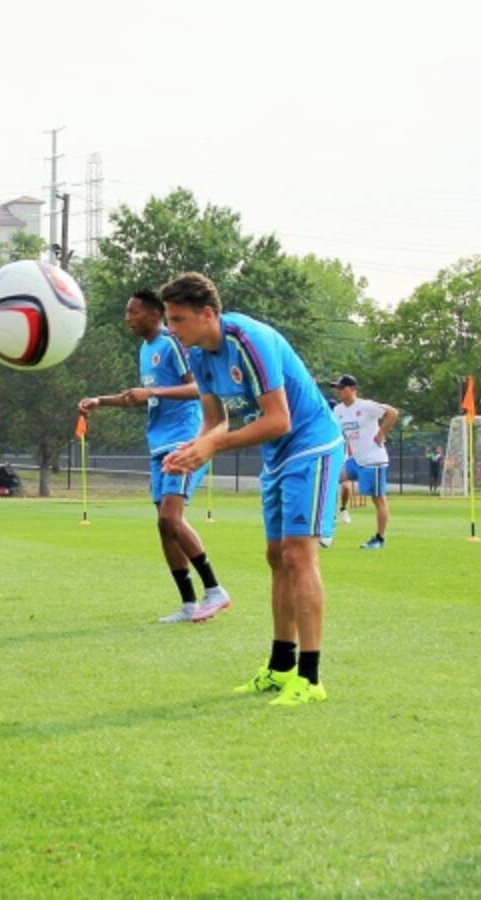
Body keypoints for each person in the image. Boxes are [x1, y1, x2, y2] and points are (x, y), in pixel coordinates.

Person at [160, 273, 343, 707]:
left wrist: (213, 445)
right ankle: (280, 669)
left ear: (208, 314)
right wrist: (194, 447)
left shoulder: (248, 339)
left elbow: (279, 419)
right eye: (168, 320)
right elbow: (214, 421)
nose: (172, 330)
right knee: (276, 557)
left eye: (178, 319)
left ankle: (311, 677)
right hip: (277, 456)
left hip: (311, 444)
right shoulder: (201, 356)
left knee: (299, 555)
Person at [78, 289, 229, 623]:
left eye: (132, 312)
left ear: (152, 313)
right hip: (158, 446)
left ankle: (215, 590)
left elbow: (199, 389)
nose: (127, 318)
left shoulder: (172, 343)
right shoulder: (145, 350)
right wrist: (101, 401)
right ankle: (189, 604)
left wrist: (154, 391)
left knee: (169, 518)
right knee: (165, 528)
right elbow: (141, 396)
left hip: (186, 442)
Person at [332, 375, 398, 549]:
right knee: (330, 479)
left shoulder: (366, 406)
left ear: (352, 389)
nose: (338, 391)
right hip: (356, 460)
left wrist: (381, 433)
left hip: (373, 460)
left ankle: (379, 538)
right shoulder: (338, 410)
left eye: (341, 387)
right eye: (337, 387)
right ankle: (329, 521)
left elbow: (392, 413)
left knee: (378, 500)